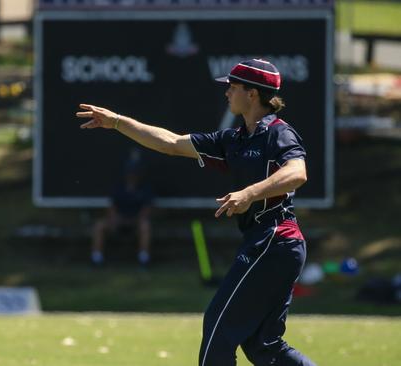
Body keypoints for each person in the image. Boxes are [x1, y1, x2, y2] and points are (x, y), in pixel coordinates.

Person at [77, 59, 315, 366]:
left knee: (218, 329)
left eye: (232, 87)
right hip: (271, 242)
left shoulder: (278, 134)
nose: (227, 93)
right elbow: (172, 143)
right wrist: (118, 122)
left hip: (275, 239)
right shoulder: (234, 138)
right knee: (263, 346)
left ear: (252, 94)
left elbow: (298, 172)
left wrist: (249, 193)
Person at [90, 160, 153, 267]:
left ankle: (144, 259)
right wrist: (116, 219)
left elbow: (147, 210)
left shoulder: (145, 188)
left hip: (136, 223)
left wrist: (135, 220)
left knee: (145, 226)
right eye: (130, 173)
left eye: (135, 173)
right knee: (99, 225)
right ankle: (97, 258)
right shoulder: (118, 187)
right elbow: (111, 207)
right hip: (118, 222)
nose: (132, 175)